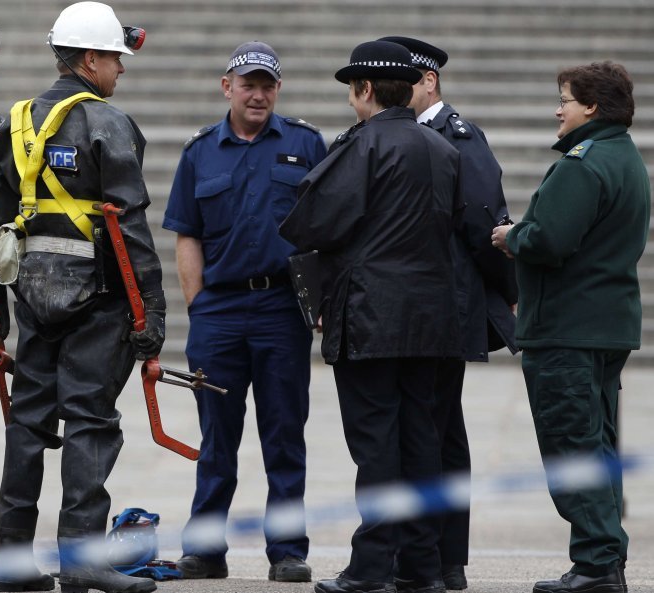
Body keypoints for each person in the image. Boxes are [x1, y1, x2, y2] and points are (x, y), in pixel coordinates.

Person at [0, 2, 164, 592]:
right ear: (89, 59)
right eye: (114, 58)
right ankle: (82, 565)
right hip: (97, 304)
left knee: (28, 425)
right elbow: (128, 225)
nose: (120, 70)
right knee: (90, 423)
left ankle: (13, 564)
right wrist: (150, 312)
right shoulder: (108, 124)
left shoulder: (17, 121)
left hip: (33, 299)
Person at [279, 40, 462, 593]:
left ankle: (371, 568)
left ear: (363, 90)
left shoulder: (361, 146)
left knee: (377, 445)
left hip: (371, 317)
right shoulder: (443, 149)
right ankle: (422, 567)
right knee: (422, 440)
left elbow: (310, 222)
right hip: (430, 318)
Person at [161, 41, 326, 584]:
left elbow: (326, 229)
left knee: (284, 434)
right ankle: (205, 549)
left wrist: (317, 302)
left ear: (277, 90)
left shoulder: (306, 145)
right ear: (226, 87)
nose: (258, 94)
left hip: (281, 309)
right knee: (217, 438)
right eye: (248, 84)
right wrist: (200, 304)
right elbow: (187, 235)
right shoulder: (200, 151)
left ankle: (287, 551)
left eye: (267, 85)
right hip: (221, 312)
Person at [491, 61, 649, 593]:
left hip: (566, 330)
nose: (558, 109)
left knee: (571, 447)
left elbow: (549, 240)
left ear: (592, 108)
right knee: (596, 445)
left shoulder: (583, 163)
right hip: (605, 328)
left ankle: (597, 563)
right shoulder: (624, 157)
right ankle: (604, 558)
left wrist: (511, 236)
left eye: (565, 99)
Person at [379, 36, 518, 591]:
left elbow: (487, 225)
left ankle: (442, 558)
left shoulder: (457, 137)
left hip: (448, 306)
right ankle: (433, 557)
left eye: (404, 81)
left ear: (428, 81)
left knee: (436, 434)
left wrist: (505, 289)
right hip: (422, 307)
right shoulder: (407, 136)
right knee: (432, 432)